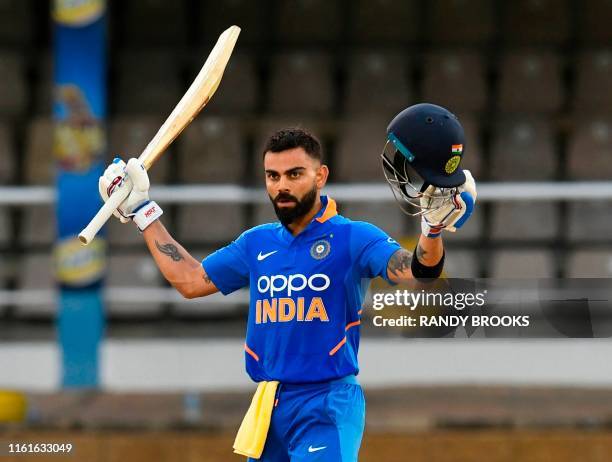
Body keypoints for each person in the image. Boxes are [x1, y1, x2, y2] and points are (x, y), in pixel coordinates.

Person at [99, 103, 477, 461]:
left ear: (320, 176)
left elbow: (417, 276)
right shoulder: (256, 242)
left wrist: (432, 229)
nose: (281, 186)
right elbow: (191, 281)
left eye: (294, 174)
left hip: (326, 403)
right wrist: (140, 211)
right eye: (272, 176)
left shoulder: (354, 237)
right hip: (268, 405)